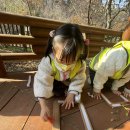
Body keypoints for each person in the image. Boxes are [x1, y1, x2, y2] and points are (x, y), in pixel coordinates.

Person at [33, 23, 87, 121]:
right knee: (52, 91)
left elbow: (79, 78)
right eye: (62, 60)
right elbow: (41, 82)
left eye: (72, 60)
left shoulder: (80, 64)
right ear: (53, 50)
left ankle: (69, 90)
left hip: (67, 80)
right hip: (55, 80)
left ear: (79, 54)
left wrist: (71, 94)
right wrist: (43, 106)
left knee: (74, 93)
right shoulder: (47, 62)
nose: (66, 65)